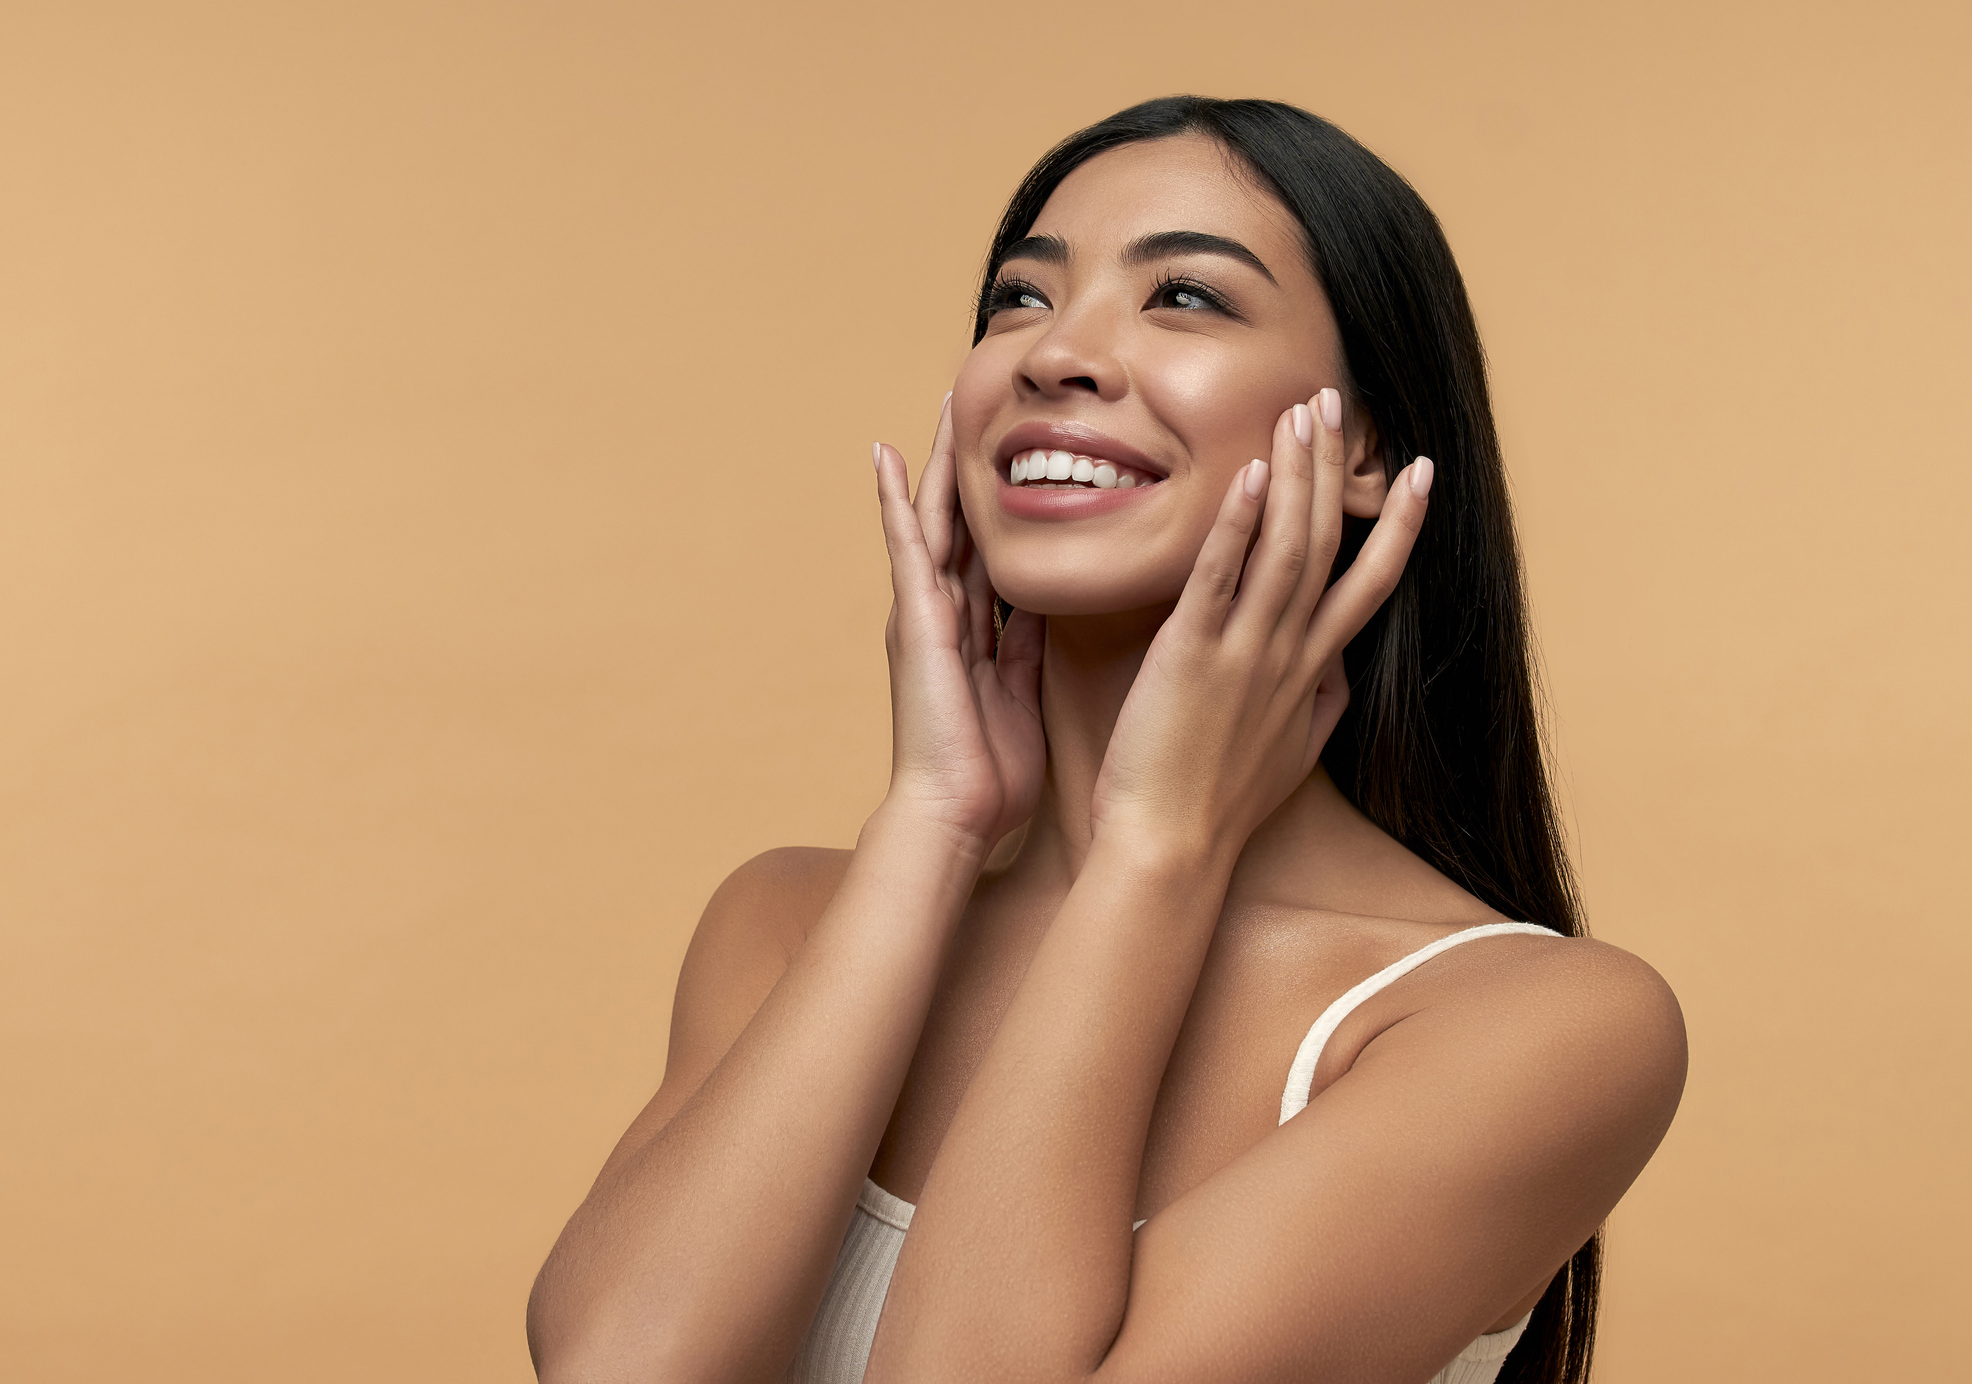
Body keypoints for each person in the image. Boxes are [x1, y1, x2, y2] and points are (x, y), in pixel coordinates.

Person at [525, 96, 1686, 1384]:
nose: (1054, 353)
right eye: (1019, 299)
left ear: (1365, 446)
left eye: (1185, 296)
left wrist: (1158, 853)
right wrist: (933, 820)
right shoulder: (789, 919)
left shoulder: (1534, 1028)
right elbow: (620, 1370)